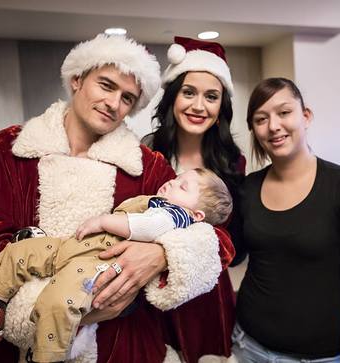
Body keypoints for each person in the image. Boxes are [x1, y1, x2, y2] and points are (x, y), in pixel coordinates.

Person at [0, 33, 235, 363]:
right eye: (106, 85)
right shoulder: (7, 150)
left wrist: (162, 255)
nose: (114, 103)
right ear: (77, 79)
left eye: (128, 98)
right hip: (22, 343)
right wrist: (63, 310)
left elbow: (215, 239)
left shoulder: (146, 165)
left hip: (125, 346)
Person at [0, 168, 232, 362]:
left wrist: (104, 220)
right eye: (177, 178)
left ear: (197, 214)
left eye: (183, 186)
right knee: (18, 253)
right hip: (76, 247)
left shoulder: (175, 215)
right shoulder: (161, 201)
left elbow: (149, 227)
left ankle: (48, 357)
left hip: (99, 262)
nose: (172, 182)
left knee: (58, 300)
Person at [231, 77, 340, 363]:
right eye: (261, 119)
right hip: (246, 345)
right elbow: (234, 255)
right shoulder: (247, 188)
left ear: (306, 116)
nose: (273, 125)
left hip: (317, 357)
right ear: (254, 129)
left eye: (284, 113)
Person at [142, 36, 245, 362]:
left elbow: (237, 246)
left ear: (220, 109)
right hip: (151, 293)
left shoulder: (233, 162)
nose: (199, 106)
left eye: (211, 97)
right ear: (173, 97)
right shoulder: (147, 155)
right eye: (189, 93)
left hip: (208, 296)